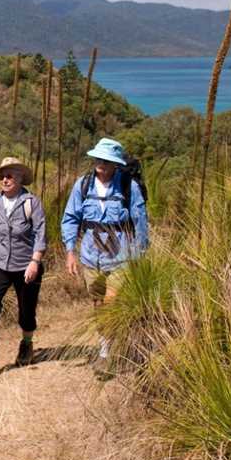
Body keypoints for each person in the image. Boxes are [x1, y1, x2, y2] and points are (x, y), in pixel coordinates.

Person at [60, 138, 149, 379]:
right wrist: (70, 251)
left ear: (116, 164)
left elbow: (140, 221)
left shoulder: (129, 187)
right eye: (98, 158)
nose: (101, 163)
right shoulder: (83, 185)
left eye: (107, 159)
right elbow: (70, 218)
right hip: (90, 256)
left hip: (122, 256)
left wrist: (141, 254)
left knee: (112, 303)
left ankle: (109, 353)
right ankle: (105, 347)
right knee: (98, 305)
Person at [0, 157, 47, 371]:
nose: (4, 180)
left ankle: (26, 345)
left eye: (9, 176)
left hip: (26, 264)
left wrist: (35, 262)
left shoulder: (31, 203)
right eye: (2, 176)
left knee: (26, 310)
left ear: (20, 178)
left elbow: (41, 235)